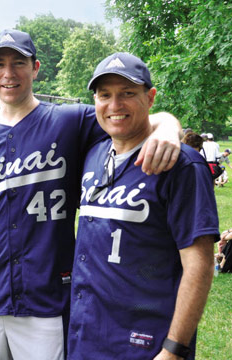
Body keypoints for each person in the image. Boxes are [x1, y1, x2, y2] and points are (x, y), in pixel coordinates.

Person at [0, 29, 182, 360]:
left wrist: (169, 127)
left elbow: (129, 117)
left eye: (19, 62)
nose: (8, 73)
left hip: (47, 294)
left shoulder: (69, 121)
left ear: (36, 68)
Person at [69, 52, 218, 359]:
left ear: (150, 98)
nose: (114, 106)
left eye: (127, 94)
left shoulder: (181, 165)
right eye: (105, 95)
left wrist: (174, 348)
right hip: (86, 336)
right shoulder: (93, 154)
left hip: (146, 342)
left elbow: (199, 265)